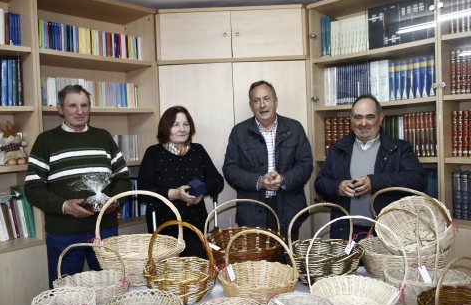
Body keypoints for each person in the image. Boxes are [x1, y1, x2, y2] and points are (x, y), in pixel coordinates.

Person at [24, 84, 131, 287]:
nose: (80, 111)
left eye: (84, 105)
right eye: (72, 105)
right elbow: (33, 188)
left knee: (112, 289)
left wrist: (113, 201)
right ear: (60, 109)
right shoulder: (46, 141)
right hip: (64, 233)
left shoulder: (104, 137)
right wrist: (64, 206)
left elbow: (123, 177)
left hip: (104, 230)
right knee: (65, 294)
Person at [314, 94, 427, 240]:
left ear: (380, 118)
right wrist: (338, 187)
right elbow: (320, 183)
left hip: (386, 235)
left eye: (370, 117)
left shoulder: (400, 149)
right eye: (358, 117)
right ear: (351, 120)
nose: (363, 123)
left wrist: (375, 182)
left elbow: (418, 180)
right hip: (345, 233)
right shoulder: (338, 149)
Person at [222, 80, 313, 241]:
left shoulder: (294, 128)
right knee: (257, 263)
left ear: (275, 101)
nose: (262, 105)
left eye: (267, 99)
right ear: (251, 105)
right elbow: (230, 169)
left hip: (289, 208)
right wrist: (259, 181)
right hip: (252, 210)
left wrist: (284, 179)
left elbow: (305, 165)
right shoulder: (239, 132)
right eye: (256, 101)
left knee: (286, 260)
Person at [138, 105, 224, 258]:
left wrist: (201, 190)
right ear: (166, 127)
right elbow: (143, 191)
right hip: (165, 227)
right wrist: (175, 194)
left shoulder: (198, 150)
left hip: (196, 225)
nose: (182, 129)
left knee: (197, 270)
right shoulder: (153, 153)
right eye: (175, 124)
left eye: (185, 124)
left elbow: (218, 181)